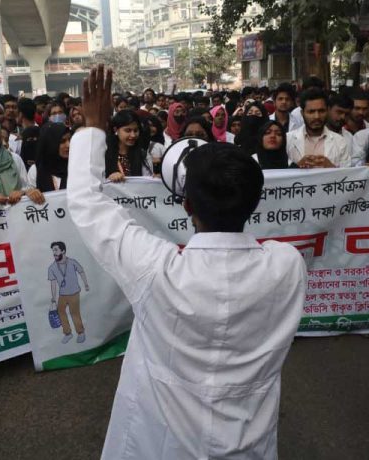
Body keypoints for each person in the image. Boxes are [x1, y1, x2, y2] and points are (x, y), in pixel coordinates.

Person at [69, 65, 305, 459]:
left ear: (187, 205)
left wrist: (93, 129)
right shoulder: (286, 266)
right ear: (253, 203)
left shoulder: (156, 269)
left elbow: (86, 202)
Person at [287, 88, 351, 169]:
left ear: (327, 111)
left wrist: (331, 167)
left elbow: (347, 176)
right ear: (302, 113)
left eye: (321, 111)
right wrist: (297, 167)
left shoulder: (340, 141)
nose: (317, 116)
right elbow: (281, 174)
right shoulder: (288, 140)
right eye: (311, 112)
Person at [48, 241, 90, 344]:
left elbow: (81, 271)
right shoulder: (52, 267)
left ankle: (80, 333)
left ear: (63, 251)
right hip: (62, 295)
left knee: (74, 313)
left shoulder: (72, 262)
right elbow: (53, 283)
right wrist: (53, 298)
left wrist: (86, 284)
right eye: (53, 250)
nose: (54, 253)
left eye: (56, 250)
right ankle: (68, 333)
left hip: (74, 293)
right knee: (60, 312)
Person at [105, 110, 152, 182]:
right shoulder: (104, 152)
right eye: (128, 130)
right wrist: (109, 178)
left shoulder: (143, 155)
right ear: (116, 130)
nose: (133, 135)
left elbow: (147, 182)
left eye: (136, 130)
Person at [31, 123, 72, 192]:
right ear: (51, 144)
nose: (68, 145)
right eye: (62, 141)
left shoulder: (75, 166)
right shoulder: (35, 170)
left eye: (70, 140)